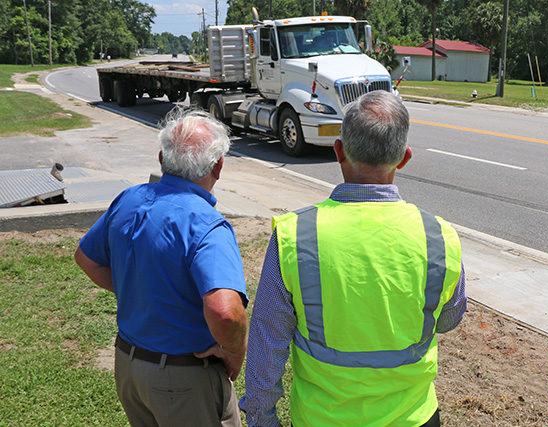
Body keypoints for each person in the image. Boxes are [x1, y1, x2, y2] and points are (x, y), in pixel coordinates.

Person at [240, 90, 467, 427]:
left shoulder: (295, 235)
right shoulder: (439, 236)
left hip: (322, 419)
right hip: (414, 417)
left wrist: (262, 418)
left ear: (338, 151)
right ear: (404, 158)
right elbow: (448, 319)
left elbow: (267, 340)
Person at [75, 108, 248, 427]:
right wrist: (235, 351)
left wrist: (138, 290)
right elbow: (225, 312)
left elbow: (86, 258)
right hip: (184, 379)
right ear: (218, 166)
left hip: (129, 367)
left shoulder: (128, 200)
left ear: (161, 158)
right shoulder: (207, 224)